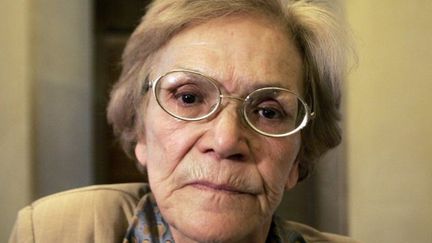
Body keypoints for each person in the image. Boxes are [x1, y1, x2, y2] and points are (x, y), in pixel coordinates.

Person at [9, 0, 358, 242]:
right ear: (139, 127)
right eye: (189, 97)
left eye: (268, 111)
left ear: (299, 158)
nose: (224, 141)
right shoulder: (55, 231)